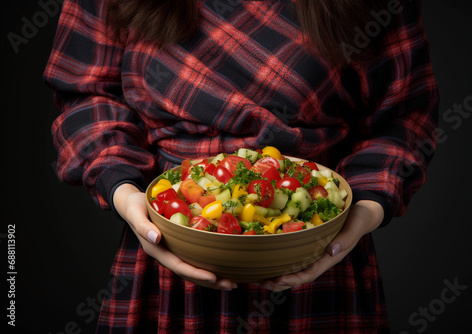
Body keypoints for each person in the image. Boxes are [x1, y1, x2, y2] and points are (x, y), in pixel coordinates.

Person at [44, 0, 439, 332]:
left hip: (316, 255)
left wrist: (361, 216)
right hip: (168, 244)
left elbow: (405, 118)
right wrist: (127, 195)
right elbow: (87, 92)